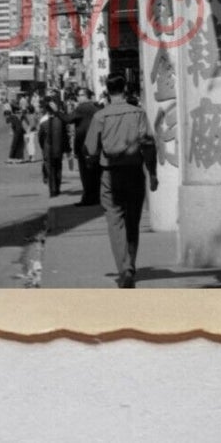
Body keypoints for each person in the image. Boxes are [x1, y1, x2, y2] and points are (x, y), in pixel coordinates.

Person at [83, 72, 158, 288]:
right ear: (125, 89)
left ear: (107, 91)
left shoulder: (100, 116)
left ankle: (124, 269)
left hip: (110, 175)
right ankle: (130, 265)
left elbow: (90, 149)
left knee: (115, 223)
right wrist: (152, 174)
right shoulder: (138, 113)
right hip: (134, 172)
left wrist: (91, 168)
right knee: (133, 222)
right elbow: (148, 145)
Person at [70, 87, 103, 206]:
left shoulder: (82, 108)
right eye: (78, 95)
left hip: (84, 146)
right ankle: (97, 197)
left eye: (80, 95)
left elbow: (68, 119)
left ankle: (88, 198)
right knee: (95, 173)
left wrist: (55, 111)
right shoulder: (95, 108)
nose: (78, 97)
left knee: (85, 175)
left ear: (87, 96)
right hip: (96, 146)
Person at [39, 97, 68, 197]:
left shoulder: (43, 123)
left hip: (48, 149)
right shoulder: (60, 122)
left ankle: (53, 190)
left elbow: (40, 138)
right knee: (58, 168)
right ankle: (58, 188)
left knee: (50, 170)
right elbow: (65, 136)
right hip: (58, 149)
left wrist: (43, 148)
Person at [22, 95, 40, 165]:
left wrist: (28, 130)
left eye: (27, 109)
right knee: (29, 144)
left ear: (29, 110)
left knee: (30, 144)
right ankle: (30, 156)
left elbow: (32, 124)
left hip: (30, 131)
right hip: (29, 131)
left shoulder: (32, 115)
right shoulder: (32, 115)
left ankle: (32, 157)